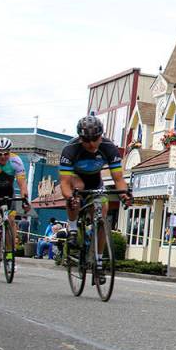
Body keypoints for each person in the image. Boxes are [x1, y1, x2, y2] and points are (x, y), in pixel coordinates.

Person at [59, 116, 132, 281]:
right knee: (76, 192)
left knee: (102, 214)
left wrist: (123, 194)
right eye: (86, 140)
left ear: (101, 136)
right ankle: (72, 229)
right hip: (76, 180)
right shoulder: (70, 149)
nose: (91, 144)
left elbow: (118, 179)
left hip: (96, 182)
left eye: (95, 139)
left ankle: (98, 261)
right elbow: (64, 183)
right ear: (79, 137)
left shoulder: (108, 147)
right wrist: (70, 197)